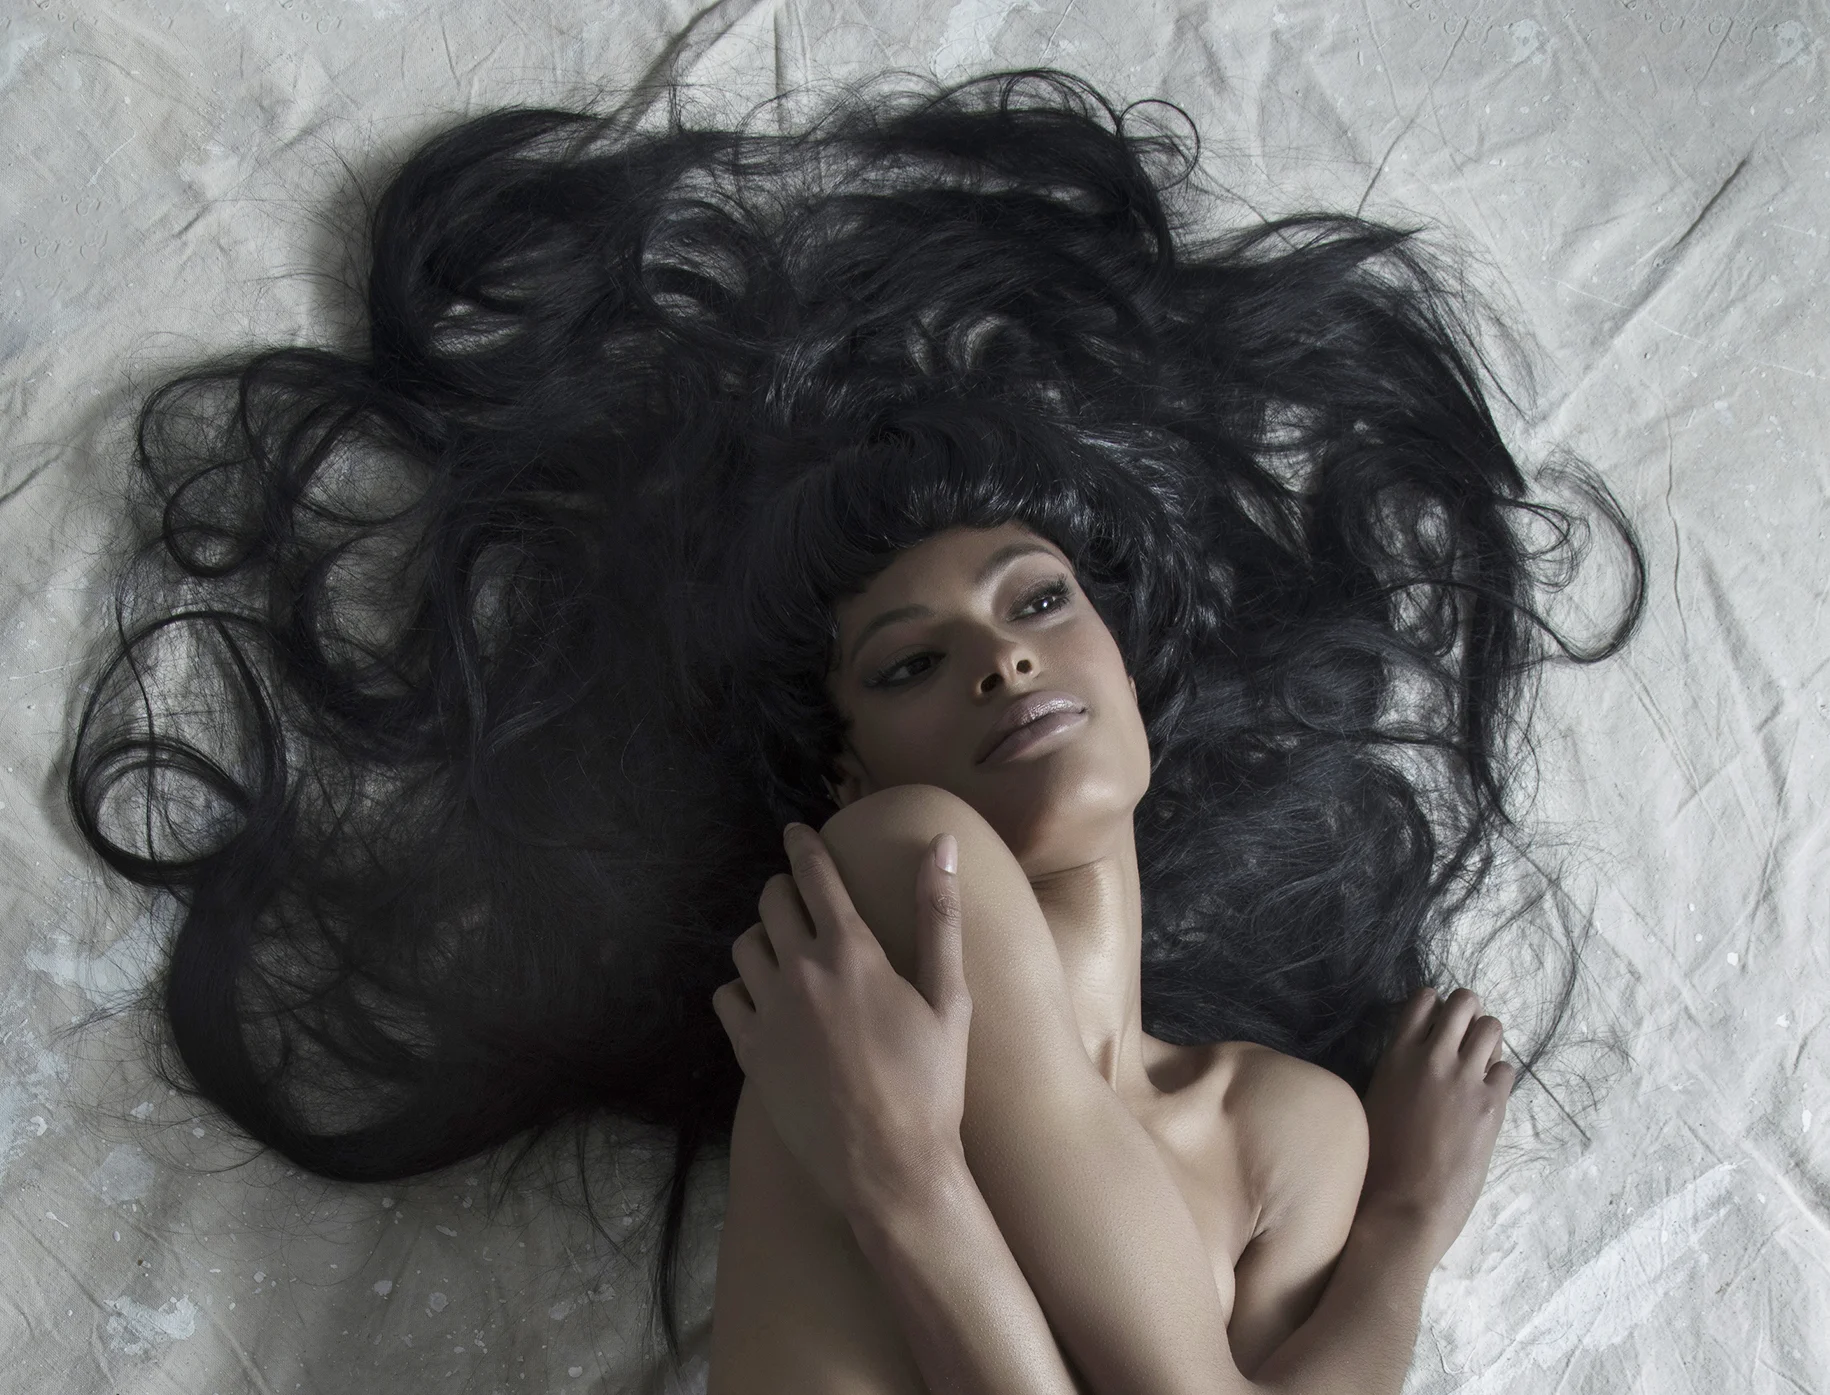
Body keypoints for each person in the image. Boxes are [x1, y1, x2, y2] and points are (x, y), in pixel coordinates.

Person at [65, 69, 1643, 1387]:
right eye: (909, 664)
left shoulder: (1286, 1122)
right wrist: (1392, 1245)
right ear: (846, 771)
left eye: (1039, 603)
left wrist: (914, 1186)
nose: (1002, 661)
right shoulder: (903, 873)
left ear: (1126, 663)